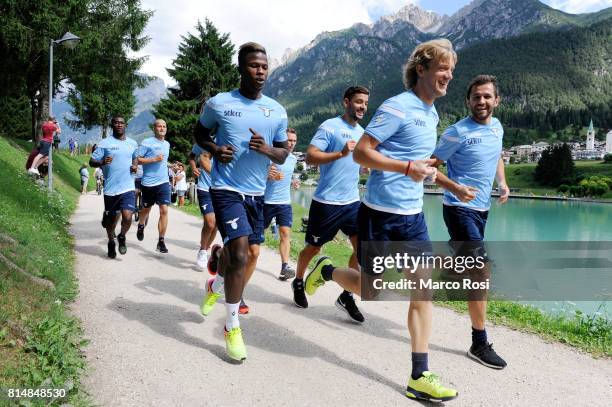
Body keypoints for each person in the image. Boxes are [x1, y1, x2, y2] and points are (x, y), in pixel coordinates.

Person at [303, 39, 459, 401]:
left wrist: (432, 173)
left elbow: (418, 160)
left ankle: (420, 374)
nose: (448, 76)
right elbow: (362, 153)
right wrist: (407, 167)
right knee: (372, 288)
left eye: (451, 70)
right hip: (380, 214)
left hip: (413, 215)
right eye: (442, 68)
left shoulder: (431, 112)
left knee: (424, 289)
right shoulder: (397, 107)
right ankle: (326, 271)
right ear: (421, 68)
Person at [195, 42, 289, 361]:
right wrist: (214, 148)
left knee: (248, 254)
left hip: (257, 193)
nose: (260, 71)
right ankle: (232, 326)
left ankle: (216, 285)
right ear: (241, 68)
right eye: (253, 65)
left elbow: (283, 153)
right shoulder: (219, 103)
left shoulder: (276, 110)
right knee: (237, 251)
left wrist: (265, 150)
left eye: (264, 66)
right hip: (225, 188)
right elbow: (199, 132)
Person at [431, 74, 509, 370]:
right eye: (476, 97)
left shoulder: (498, 127)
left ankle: (434, 265)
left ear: (496, 100)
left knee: (471, 265)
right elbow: (430, 167)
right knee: (481, 269)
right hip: (458, 208)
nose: (482, 101)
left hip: (482, 209)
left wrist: (503, 182)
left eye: (487, 96)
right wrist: (456, 188)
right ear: (468, 101)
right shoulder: (456, 132)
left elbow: (497, 156)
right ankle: (479, 342)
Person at [292, 86, 369, 324]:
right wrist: (340, 153)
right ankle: (298, 281)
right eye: (358, 102)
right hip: (326, 202)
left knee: (362, 250)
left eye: (365, 103)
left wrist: (365, 167)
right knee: (313, 248)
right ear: (346, 102)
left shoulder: (363, 132)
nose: (362, 107)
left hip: (352, 202)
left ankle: (347, 295)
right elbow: (311, 156)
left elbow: (360, 163)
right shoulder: (329, 127)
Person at [89, 117, 138, 258]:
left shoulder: (132, 143)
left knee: (128, 216)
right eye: (116, 123)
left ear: (125, 125)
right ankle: (111, 242)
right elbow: (92, 161)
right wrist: (102, 161)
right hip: (111, 188)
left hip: (128, 186)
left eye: (122, 123)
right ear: (112, 125)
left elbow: (135, 157)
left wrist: (135, 165)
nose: (119, 125)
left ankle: (122, 236)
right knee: (110, 222)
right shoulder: (104, 143)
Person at [264, 128, 298, 280]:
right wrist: (268, 176)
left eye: (294, 141)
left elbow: (287, 176)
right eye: (289, 140)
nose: (291, 143)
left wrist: (293, 182)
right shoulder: (270, 156)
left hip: (284, 203)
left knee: (285, 234)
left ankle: (285, 267)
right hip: (266, 202)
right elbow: (260, 176)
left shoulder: (293, 159)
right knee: (257, 235)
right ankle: (242, 259)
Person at [136, 119, 171, 253]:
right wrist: (153, 159)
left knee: (164, 210)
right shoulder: (147, 143)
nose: (162, 128)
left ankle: (161, 241)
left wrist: (170, 165)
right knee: (146, 209)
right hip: (149, 183)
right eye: (159, 126)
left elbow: (163, 161)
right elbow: (137, 159)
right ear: (154, 129)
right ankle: (140, 224)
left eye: (164, 126)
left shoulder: (167, 144)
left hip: (163, 182)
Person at [189, 144, 217, 271]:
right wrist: (194, 167)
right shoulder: (203, 141)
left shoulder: (230, 138)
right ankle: (203, 251)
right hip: (205, 188)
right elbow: (192, 156)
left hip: (221, 190)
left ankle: (207, 248)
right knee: (210, 223)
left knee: (216, 225)